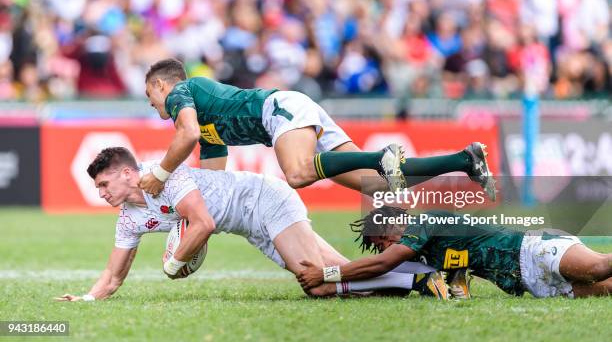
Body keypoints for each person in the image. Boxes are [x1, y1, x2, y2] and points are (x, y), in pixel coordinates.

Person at [55, 148, 455, 302]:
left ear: (127, 173)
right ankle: (429, 273)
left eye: (104, 183)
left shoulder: (165, 174)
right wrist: (88, 299)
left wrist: (174, 263)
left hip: (266, 199)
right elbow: (112, 275)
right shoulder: (129, 216)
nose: (101, 193)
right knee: (336, 279)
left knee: (316, 282)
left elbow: (204, 223)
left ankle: (416, 282)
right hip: (252, 226)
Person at [138, 58, 495, 200]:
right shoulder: (203, 123)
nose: (155, 109)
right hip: (293, 110)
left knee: (297, 173)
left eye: (150, 97)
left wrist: (160, 173)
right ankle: (464, 160)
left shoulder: (181, 92)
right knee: (376, 185)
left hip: (279, 110)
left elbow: (186, 135)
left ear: (159, 85)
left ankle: (379, 157)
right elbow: (212, 183)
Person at [297, 207, 612, 299]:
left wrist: (327, 274)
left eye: (381, 242)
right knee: (606, 290)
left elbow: (384, 264)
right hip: (531, 282)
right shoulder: (431, 253)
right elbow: (458, 291)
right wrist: (341, 290)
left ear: (391, 227)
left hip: (535, 251)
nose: (384, 250)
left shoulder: (425, 221)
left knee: (599, 268)